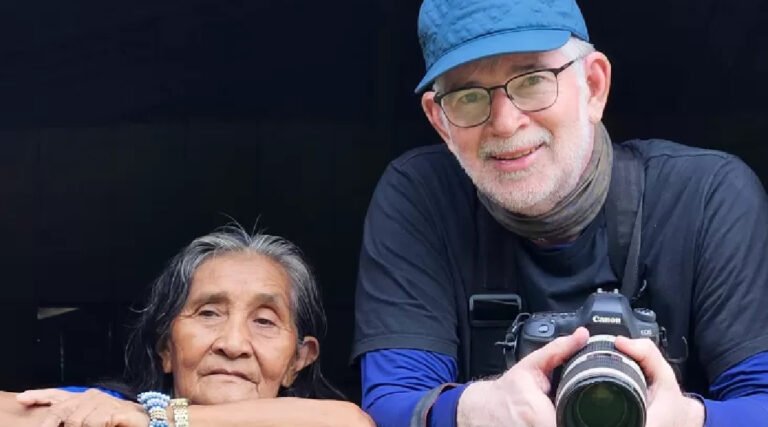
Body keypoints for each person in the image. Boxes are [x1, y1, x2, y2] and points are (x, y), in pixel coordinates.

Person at [351, 0, 768, 426]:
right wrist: (478, 409)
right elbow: (387, 405)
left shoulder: (705, 197)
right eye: (468, 97)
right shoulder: (421, 198)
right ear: (440, 120)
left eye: (532, 81)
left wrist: (689, 419)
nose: (505, 122)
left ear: (594, 85)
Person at [0, 225, 374, 426]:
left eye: (264, 321)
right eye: (209, 313)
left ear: (298, 360)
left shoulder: (138, 418)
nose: (233, 343)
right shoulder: (108, 413)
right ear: (166, 347)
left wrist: (155, 419)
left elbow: (348, 422)